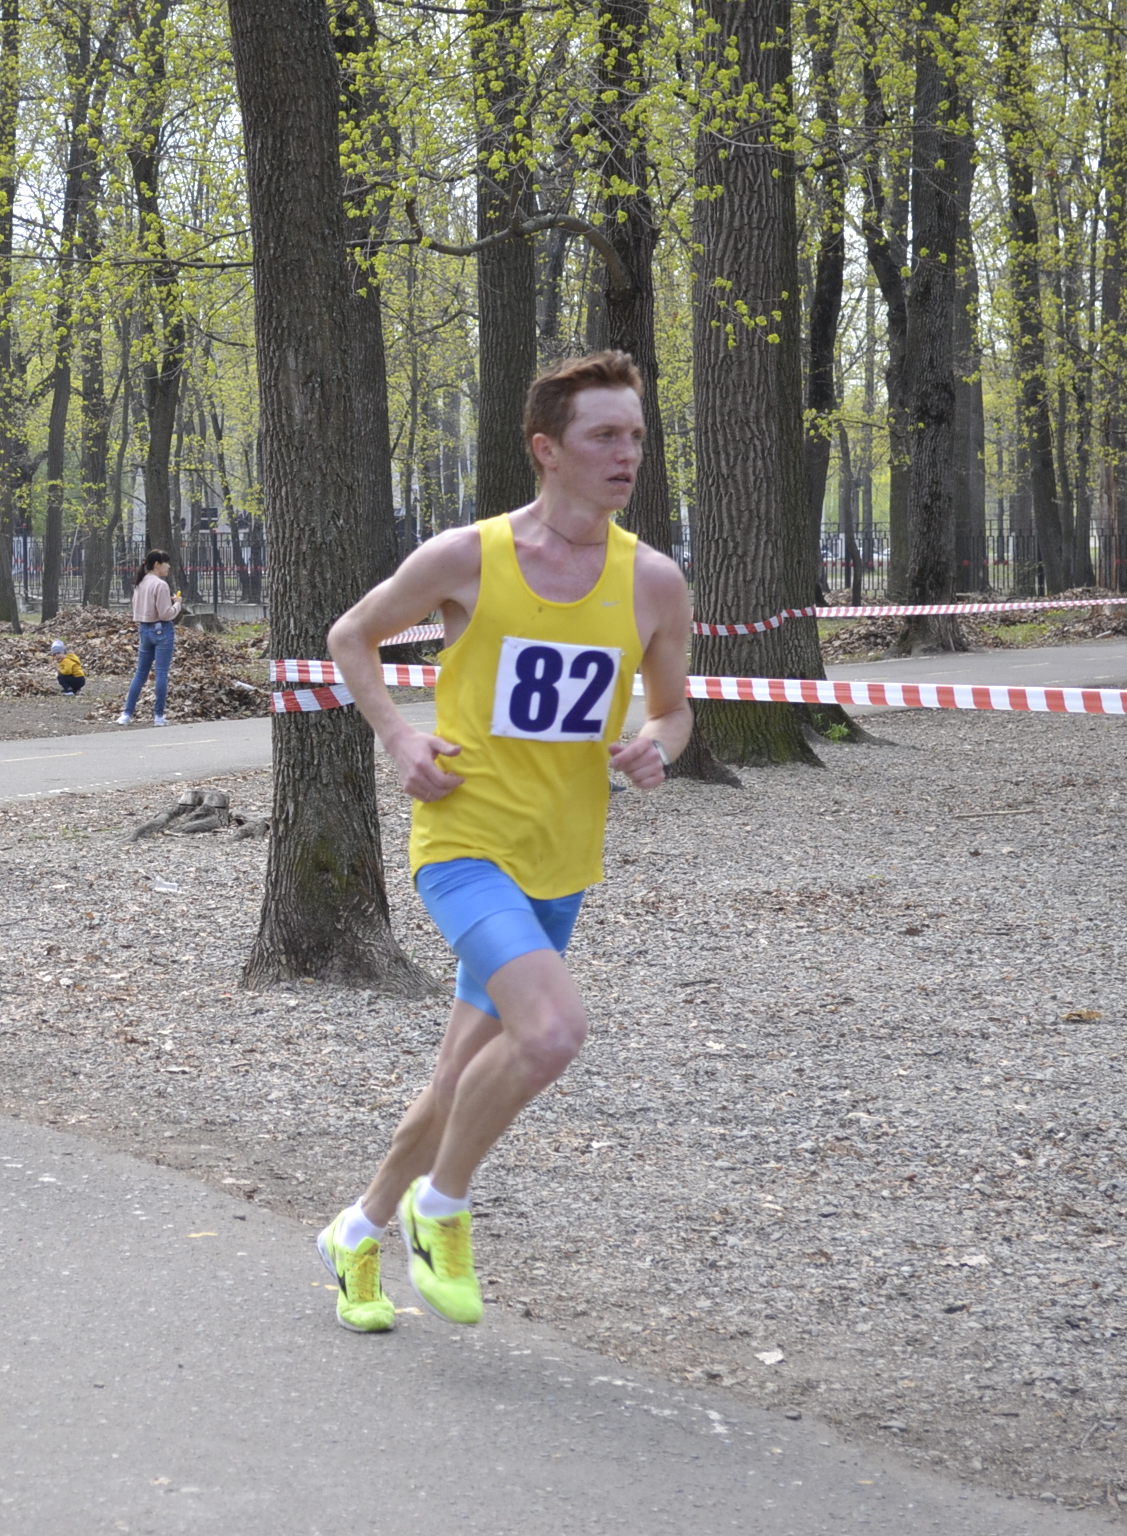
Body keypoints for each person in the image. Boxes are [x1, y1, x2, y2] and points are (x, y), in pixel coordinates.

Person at [313, 350, 694, 1332]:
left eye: (636, 436)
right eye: (604, 436)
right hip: (464, 841)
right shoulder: (466, 559)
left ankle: (356, 1231)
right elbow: (349, 637)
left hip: (560, 862)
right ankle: (441, 1210)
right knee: (553, 1030)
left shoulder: (652, 581)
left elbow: (675, 714)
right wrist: (398, 734)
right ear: (546, 450)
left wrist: (656, 748)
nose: (626, 455)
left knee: (456, 1079)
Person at [118, 550, 182, 726]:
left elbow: (140, 608)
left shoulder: (140, 582)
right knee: (161, 673)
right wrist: (177, 605)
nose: (168, 566)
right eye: (166, 563)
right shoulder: (160, 584)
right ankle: (159, 716)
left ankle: (127, 714)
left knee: (140, 673)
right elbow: (165, 614)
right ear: (157, 564)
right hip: (162, 631)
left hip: (144, 629)